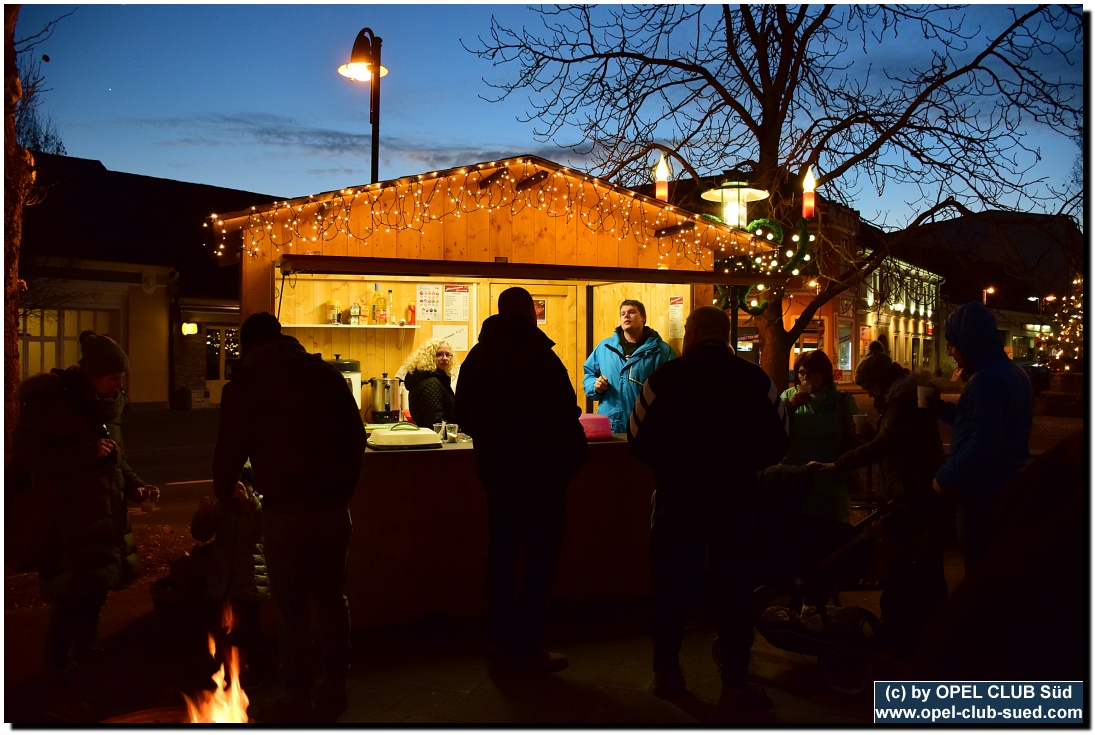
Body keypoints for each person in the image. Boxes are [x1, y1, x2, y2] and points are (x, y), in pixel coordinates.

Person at [627, 306, 788, 712]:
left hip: (676, 503)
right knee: (734, 593)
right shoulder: (756, 381)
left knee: (670, 590)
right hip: (734, 504)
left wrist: (672, 465)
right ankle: (734, 685)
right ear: (727, 334)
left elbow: (636, 437)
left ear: (693, 333)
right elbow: (781, 440)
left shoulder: (664, 379)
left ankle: (666, 675)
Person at [213, 312, 367, 722]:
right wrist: (343, 491)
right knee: (333, 599)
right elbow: (356, 437)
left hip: (284, 509)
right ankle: (336, 687)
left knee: (291, 608)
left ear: (248, 347)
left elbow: (228, 450)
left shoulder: (245, 386)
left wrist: (224, 492)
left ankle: (296, 696)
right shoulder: (326, 377)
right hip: (333, 507)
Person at [11, 330, 159, 678]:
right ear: (92, 375)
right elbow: (27, 457)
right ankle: (58, 664)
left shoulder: (106, 406)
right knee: (71, 594)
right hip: (69, 516)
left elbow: (115, 458)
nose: (119, 385)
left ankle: (87, 649)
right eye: (112, 378)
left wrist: (135, 489)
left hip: (103, 513)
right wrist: (84, 452)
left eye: (121, 377)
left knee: (96, 588)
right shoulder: (53, 404)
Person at [456, 287, 589, 674]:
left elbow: (464, 413)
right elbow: (567, 408)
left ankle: (501, 639)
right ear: (531, 312)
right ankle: (530, 645)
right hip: (544, 474)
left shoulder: (480, 356)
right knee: (539, 560)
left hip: (498, 471)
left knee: (501, 553)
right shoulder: (541, 355)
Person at [806, 351, 947, 656]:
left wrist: (839, 464)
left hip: (912, 495)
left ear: (881, 382)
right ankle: (925, 630)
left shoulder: (902, 400)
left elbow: (889, 443)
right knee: (920, 568)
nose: (868, 392)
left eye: (869, 386)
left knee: (910, 568)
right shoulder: (903, 397)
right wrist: (873, 434)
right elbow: (896, 440)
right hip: (913, 493)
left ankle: (908, 634)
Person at [930, 301, 1033, 571]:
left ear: (968, 341)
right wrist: (940, 409)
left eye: (952, 344)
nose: (951, 352)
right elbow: (978, 423)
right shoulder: (1013, 373)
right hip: (1005, 486)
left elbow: (983, 442)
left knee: (979, 571)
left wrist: (944, 477)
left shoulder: (985, 380)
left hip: (981, 493)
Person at [189, 464, 269, 687]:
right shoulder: (223, 506)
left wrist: (248, 501)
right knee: (222, 630)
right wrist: (203, 516)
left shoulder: (257, 504)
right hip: (221, 580)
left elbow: (261, 529)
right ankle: (225, 674)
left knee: (248, 631)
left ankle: (254, 675)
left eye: (243, 485)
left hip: (249, 580)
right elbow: (201, 534)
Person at [778, 349, 861, 525]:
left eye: (811, 373)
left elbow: (856, 442)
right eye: (801, 372)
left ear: (824, 374)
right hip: (794, 484)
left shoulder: (842, 402)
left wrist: (843, 474)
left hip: (829, 488)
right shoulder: (787, 397)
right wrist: (790, 406)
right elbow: (771, 429)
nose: (805, 378)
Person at [582, 300, 675, 433]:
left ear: (643, 318)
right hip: (610, 425)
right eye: (622, 314)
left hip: (645, 425)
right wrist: (595, 386)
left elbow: (672, 386)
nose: (626, 316)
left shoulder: (661, 350)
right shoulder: (605, 348)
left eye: (631, 312)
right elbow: (589, 374)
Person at [400, 338, 457, 427]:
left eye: (447, 354)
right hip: (436, 438)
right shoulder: (431, 383)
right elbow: (436, 423)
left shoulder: (429, 378)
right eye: (439, 355)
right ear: (428, 357)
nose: (445, 358)